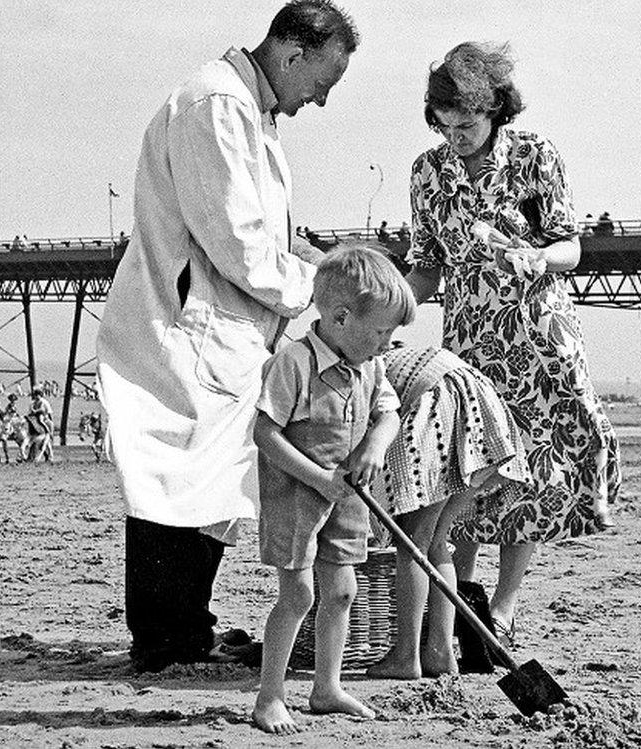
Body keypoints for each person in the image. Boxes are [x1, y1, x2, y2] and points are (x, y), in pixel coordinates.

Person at [95, 0, 359, 674]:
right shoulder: (215, 104)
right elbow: (237, 243)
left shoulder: (247, 108)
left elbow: (262, 233)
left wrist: (325, 261)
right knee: (177, 479)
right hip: (191, 325)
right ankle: (165, 641)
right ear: (293, 53)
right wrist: (318, 290)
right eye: (323, 83)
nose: (323, 101)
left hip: (225, 329)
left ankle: (187, 627)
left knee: (209, 480)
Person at [404, 42, 621, 646]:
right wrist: (383, 301)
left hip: (537, 340)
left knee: (531, 469)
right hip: (471, 341)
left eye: (467, 124)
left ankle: (503, 607)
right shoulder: (427, 172)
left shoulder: (534, 156)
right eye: (444, 126)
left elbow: (569, 246)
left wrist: (535, 256)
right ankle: (459, 605)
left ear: (496, 109)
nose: (456, 137)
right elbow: (426, 268)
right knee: (468, 468)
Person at [252, 247, 414, 734]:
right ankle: (270, 697)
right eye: (382, 331)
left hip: (347, 496)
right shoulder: (294, 363)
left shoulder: (370, 366)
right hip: (298, 497)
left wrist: (374, 449)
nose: (387, 343)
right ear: (341, 317)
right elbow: (265, 433)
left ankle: (327, 688)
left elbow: (388, 414)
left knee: (341, 591)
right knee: (298, 596)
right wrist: (320, 479)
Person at [366, 344, 532, 680]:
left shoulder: (357, 367)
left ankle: (405, 656)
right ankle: (440, 652)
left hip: (440, 406)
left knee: (413, 542)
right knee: (437, 540)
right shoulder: (382, 353)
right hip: (477, 406)